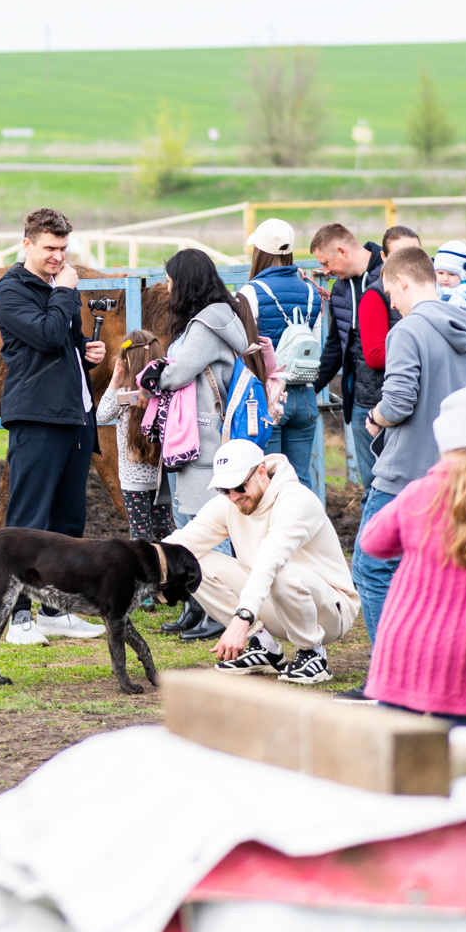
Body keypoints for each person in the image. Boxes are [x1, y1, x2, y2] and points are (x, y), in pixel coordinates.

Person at [358, 387, 466, 724]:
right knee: (461, 763)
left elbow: (373, 542)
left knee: (393, 759)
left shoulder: (417, 494)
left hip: (401, 648)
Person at [353, 246, 466, 649]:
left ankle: (387, 672)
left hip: (404, 474)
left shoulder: (408, 331)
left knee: (371, 568)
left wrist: (375, 417)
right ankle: (430, 664)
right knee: (436, 574)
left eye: (391, 295)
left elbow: (398, 402)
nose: (392, 304)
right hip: (454, 474)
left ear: (402, 281)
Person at [0, 207, 108, 648]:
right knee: (28, 520)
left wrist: (85, 349)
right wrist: (64, 292)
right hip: (37, 415)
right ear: (27, 245)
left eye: (63, 248)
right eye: (50, 248)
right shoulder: (12, 290)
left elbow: (61, 339)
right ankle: (17, 617)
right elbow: (43, 334)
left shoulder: (54, 287)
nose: (59, 257)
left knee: (68, 520)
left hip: (75, 415)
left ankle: (56, 610)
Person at [166, 439, 359, 685]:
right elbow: (181, 543)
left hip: (330, 611)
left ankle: (313, 652)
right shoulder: (230, 504)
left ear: (260, 472)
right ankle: (264, 645)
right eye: (224, 490)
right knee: (191, 562)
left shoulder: (296, 500)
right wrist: (132, 562)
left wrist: (241, 618)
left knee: (280, 571)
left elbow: (270, 560)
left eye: (238, 486)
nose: (233, 496)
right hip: (275, 601)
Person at [154, 248, 267, 643]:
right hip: (196, 437)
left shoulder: (206, 325)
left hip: (203, 439)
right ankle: (195, 605)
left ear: (184, 281)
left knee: (207, 531)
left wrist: (152, 373)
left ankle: (220, 610)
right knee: (189, 527)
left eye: (170, 279)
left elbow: (176, 373)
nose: (167, 287)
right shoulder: (209, 320)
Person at [235, 218, 324, 494]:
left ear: (260, 252)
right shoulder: (311, 291)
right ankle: (308, 535)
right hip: (305, 396)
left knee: (269, 482)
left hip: (268, 397)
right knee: (301, 483)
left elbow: (245, 349)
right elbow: (315, 344)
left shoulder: (251, 292)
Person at [310, 224, 392, 495]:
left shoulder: (392, 273)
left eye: (326, 263)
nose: (325, 271)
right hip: (359, 401)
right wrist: (312, 388)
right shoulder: (341, 291)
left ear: (342, 251)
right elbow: (336, 345)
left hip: (396, 397)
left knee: (401, 484)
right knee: (371, 487)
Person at [96, 329, 172, 542]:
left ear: (126, 363)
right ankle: (165, 572)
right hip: (162, 477)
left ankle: (146, 575)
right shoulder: (166, 393)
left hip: (133, 482)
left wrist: (115, 379)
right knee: (164, 530)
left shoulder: (124, 398)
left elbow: (101, 415)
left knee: (140, 536)